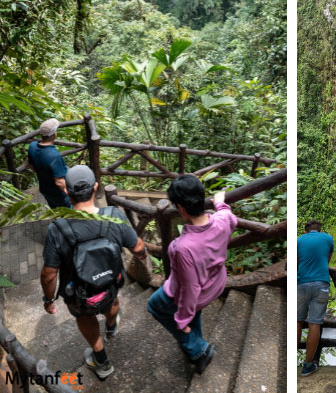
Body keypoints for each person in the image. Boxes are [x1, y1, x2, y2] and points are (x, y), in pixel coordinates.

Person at [40, 165, 147, 379]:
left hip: (78, 294)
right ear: (96, 187)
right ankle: (110, 325)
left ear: (66, 192)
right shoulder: (113, 215)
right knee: (112, 302)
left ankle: (102, 360)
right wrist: (142, 256)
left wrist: (48, 299)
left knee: (85, 316)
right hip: (109, 283)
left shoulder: (58, 228)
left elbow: (49, 274)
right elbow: (138, 248)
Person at [147, 175, 237, 376]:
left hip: (196, 293)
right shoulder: (223, 220)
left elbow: (190, 289)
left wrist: (181, 320)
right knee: (194, 315)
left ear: (181, 208)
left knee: (154, 305)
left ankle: (198, 348)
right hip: (215, 284)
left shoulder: (182, 248)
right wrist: (220, 203)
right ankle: (194, 348)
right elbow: (228, 215)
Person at [296, 219, 334, 377]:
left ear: (306, 230)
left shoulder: (298, 240)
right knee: (315, 323)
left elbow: (296, 261)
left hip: (302, 283)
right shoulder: (328, 238)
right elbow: (328, 259)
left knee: (297, 321)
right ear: (319, 230)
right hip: (321, 284)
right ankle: (308, 365)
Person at [28, 118, 71, 209]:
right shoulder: (54, 156)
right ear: (54, 134)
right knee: (68, 212)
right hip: (58, 193)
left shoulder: (32, 146)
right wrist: (69, 193)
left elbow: (31, 166)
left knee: (55, 209)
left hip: (45, 189)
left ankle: (58, 222)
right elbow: (59, 182)